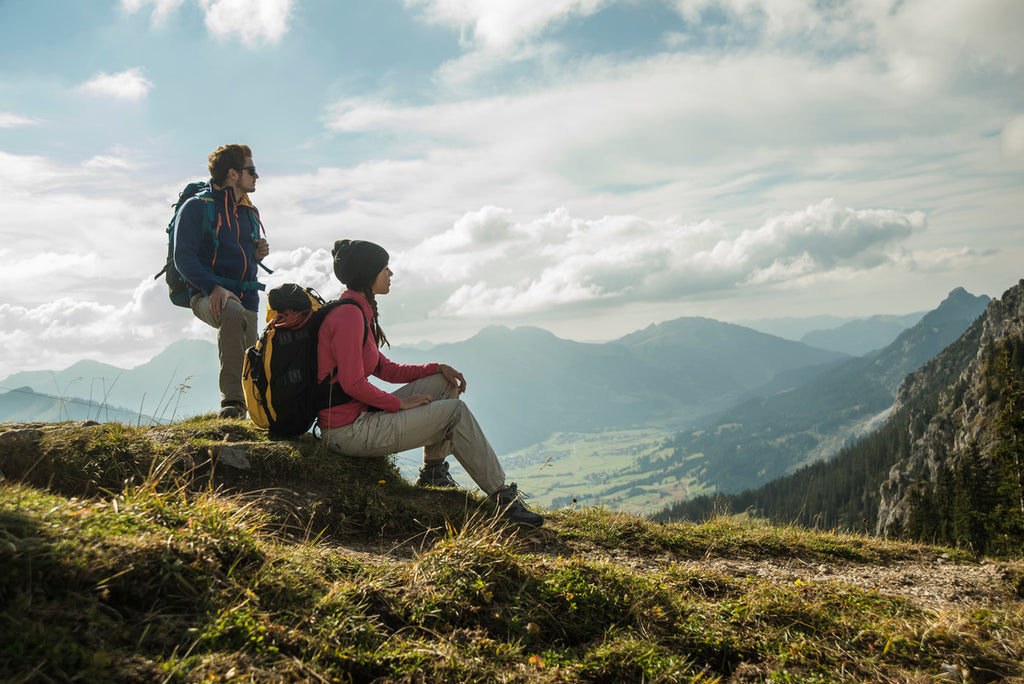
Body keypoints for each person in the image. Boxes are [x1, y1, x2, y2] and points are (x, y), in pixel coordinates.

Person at [316, 239, 544, 527]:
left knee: (442, 383)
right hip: (348, 432)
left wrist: (436, 368)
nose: (391, 274)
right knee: (455, 412)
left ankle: (433, 471)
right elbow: (352, 384)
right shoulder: (349, 315)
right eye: (385, 268)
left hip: (357, 419)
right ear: (367, 273)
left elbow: (383, 368)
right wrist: (400, 403)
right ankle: (502, 498)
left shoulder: (357, 310)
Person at [173, 144, 270, 419]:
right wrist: (213, 287)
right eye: (251, 170)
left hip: (246, 296)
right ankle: (233, 403)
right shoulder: (196, 208)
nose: (257, 176)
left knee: (251, 355)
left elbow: (240, 254)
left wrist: (256, 253)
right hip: (205, 293)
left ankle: (255, 412)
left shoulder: (249, 211)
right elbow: (184, 257)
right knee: (230, 310)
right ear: (232, 174)